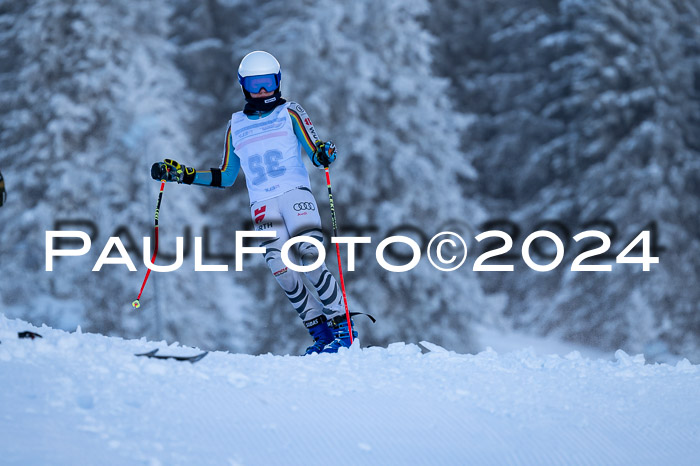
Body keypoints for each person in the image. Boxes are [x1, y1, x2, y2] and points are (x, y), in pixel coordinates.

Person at [151, 51, 356, 354]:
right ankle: (320, 332)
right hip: (262, 203)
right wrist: (182, 174)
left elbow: (315, 151)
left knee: (308, 256)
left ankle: (344, 328)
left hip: (294, 193)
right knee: (280, 268)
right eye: (255, 84)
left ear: (278, 82)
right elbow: (225, 176)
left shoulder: (290, 112)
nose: (263, 91)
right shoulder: (236, 125)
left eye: (268, 83)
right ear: (244, 85)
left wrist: (325, 153)